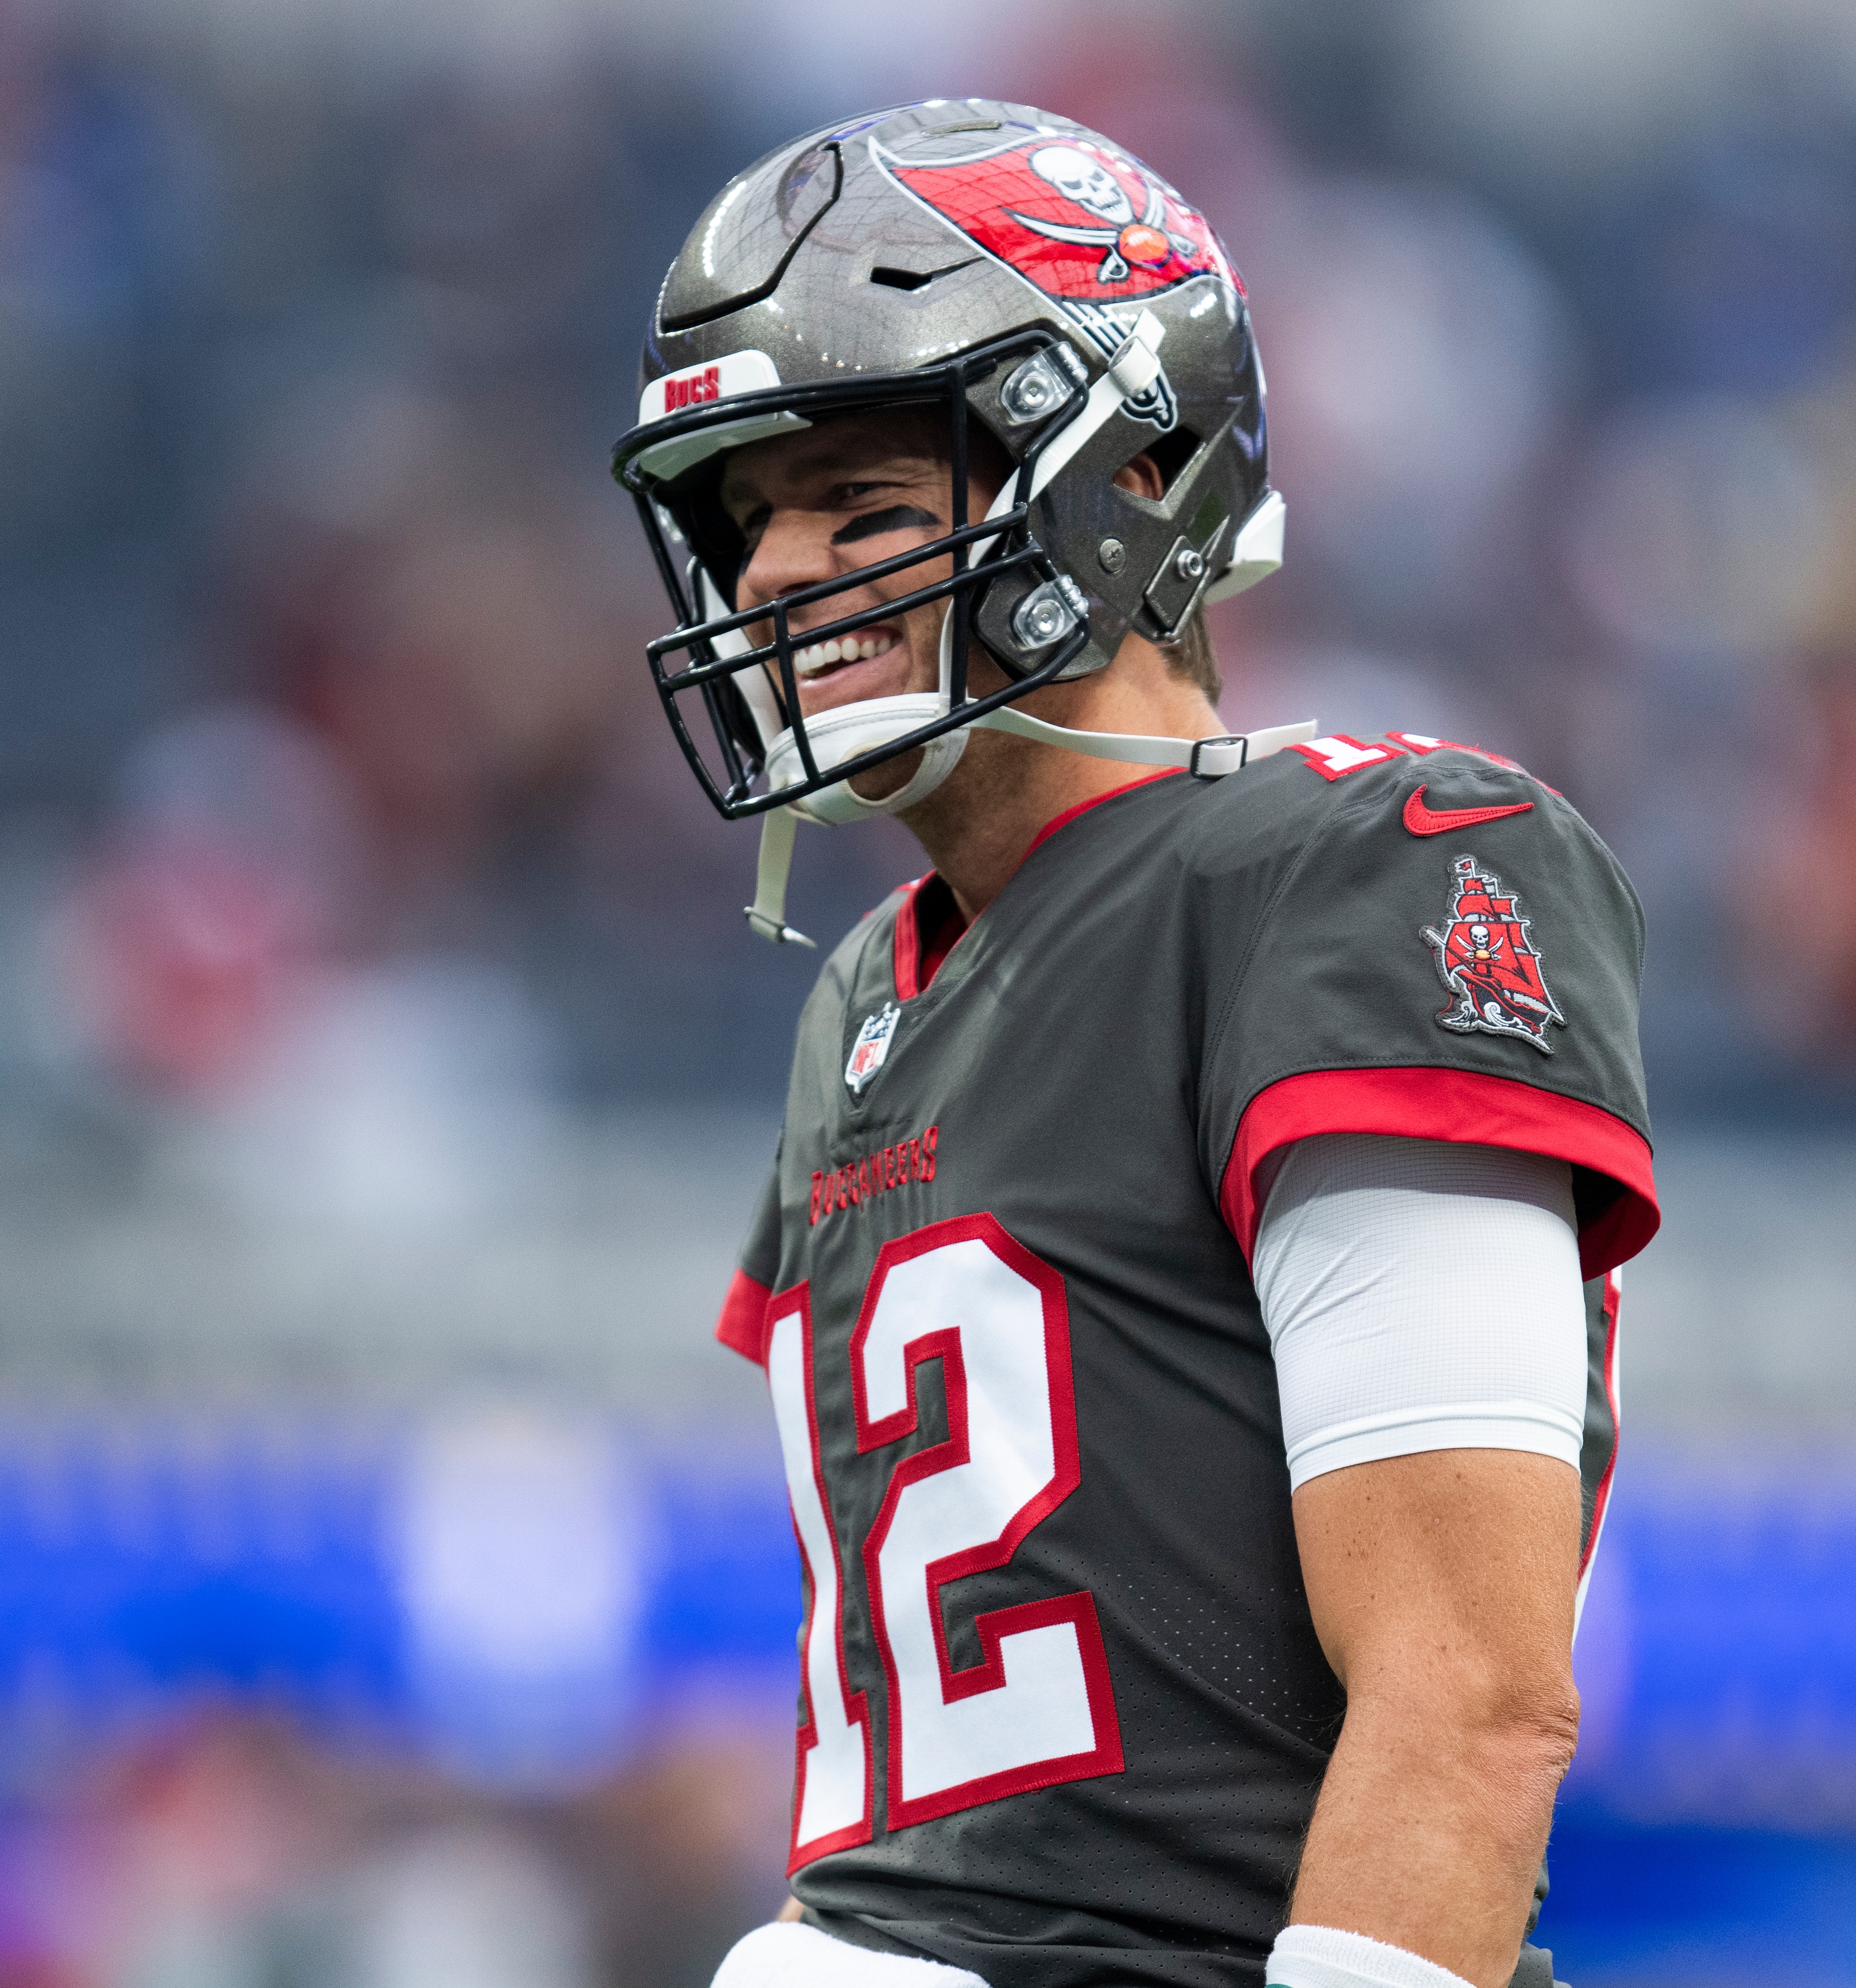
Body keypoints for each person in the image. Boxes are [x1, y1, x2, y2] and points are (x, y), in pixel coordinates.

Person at [606, 100, 1659, 1988]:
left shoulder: (1350, 868)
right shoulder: (865, 989)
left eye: (860, 501)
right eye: (754, 519)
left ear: (1129, 473)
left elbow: (1477, 1697)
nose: (772, 576)